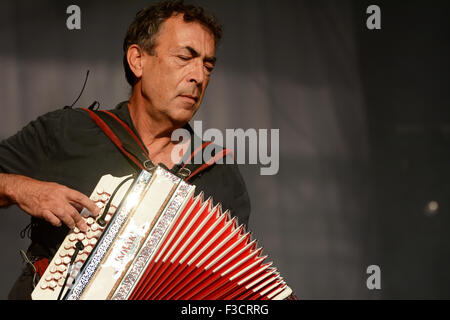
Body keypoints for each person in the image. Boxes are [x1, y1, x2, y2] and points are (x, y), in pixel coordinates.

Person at [0, 0, 251, 299]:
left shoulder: (220, 174)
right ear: (138, 60)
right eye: (185, 57)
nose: (198, 76)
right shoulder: (69, 131)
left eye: (207, 65)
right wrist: (20, 188)